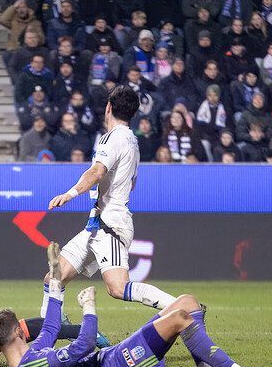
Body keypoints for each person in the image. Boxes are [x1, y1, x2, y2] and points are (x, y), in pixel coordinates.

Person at [0, 242, 272, 367]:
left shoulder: (28, 360)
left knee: (188, 302)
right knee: (182, 316)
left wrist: (55, 279)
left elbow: (50, 327)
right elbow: (83, 344)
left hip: (110, 361)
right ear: (18, 333)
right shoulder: (33, 366)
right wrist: (89, 307)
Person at [43, 86, 183, 321]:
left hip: (111, 224)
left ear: (108, 107)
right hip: (97, 224)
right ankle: (55, 328)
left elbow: (96, 172)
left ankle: (183, 308)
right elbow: (132, 183)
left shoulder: (113, 137)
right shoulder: (132, 141)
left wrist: (70, 193)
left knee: (117, 288)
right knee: (54, 278)